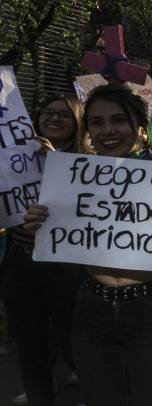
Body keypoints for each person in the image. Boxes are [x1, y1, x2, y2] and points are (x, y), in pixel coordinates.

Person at [23, 84, 152, 406]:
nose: (108, 130)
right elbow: (72, 258)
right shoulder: (74, 180)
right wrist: (43, 229)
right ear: (88, 131)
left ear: (140, 127)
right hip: (91, 311)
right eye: (97, 123)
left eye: (118, 120)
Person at [2, 96, 86, 406]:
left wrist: (56, 164)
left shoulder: (87, 161)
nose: (54, 118)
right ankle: (39, 393)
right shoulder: (11, 155)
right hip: (20, 259)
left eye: (64, 115)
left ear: (77, 123)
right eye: (48, 112)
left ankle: (95, 389)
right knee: (27, 337)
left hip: (65, 265)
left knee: (69, 334)